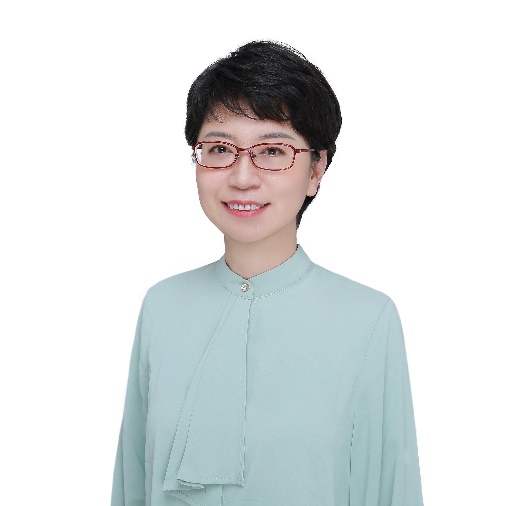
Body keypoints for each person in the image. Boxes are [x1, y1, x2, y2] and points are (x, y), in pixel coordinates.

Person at [111, 40, 424, 506]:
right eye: (220, 148)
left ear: (316, 169)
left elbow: (388, 489)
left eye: (273, 151)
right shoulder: (162, 306)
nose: (242, 177)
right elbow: (130, 484)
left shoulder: (368, 319)